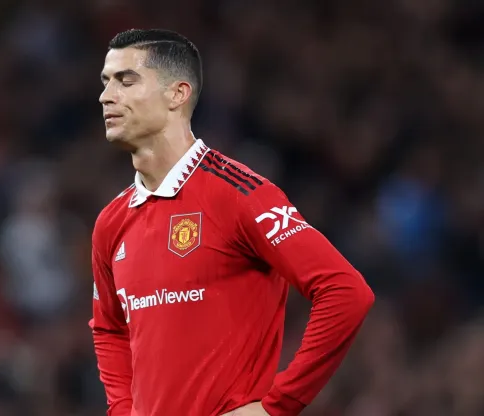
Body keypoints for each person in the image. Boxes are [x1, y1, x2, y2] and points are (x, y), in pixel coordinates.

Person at [89, 28, 375, 416]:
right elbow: (108, 328)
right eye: (106, 82)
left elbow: (346, 292)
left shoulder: (240, 194)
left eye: (126, 80)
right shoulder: (111, 222)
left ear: (178, 93)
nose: (107, 96)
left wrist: (277, 406)